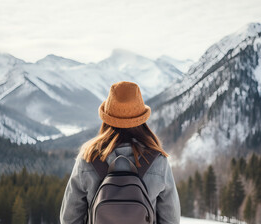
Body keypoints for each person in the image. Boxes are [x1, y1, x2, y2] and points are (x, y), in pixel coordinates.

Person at [59, 81, 181, 224]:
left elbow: (69, 218)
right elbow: (171, 219)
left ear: (106, 119)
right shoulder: (157, 160)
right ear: (142, 120)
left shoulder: (88, 158)